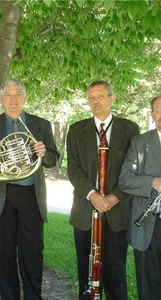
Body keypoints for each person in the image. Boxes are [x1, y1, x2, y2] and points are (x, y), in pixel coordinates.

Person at [0, 79, 59, 300]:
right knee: (4, 254)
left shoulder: (41, 125)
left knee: (32, 254)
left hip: (31, 197)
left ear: (24, 97)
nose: (13, 99)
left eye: (17, 94)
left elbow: (53, 159)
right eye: (8, 95)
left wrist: (43, 152)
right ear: (1, 100)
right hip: (1, 195)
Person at [66, 80, 139, 300]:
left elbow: (134, 168)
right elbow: (73, 168)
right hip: (84, 212)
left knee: (115, 274)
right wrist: (93, 195)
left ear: (111, 98)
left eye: (100, 96)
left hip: (116, 212)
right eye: (91, 98)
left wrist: (116, 196)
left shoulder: (130, 129)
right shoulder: (77, 130)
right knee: (86, 274)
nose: (95, 101)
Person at [119, 95, 161, 300]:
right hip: (148, 226)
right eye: (158, 110)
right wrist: (153, 182)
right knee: (149, 287)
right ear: (152, 115)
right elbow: (125, 179)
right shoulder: (139, 142)